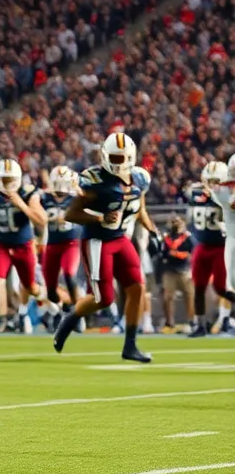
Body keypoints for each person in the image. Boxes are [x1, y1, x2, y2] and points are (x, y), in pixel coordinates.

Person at [54, 132, 158, 363]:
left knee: (137, 288)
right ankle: (70, 318)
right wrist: (99, 218)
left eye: (123, 158)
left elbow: (139, 209)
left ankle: (130, 346)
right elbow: (71, 214)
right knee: (104, 298)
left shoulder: (140, 178)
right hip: (98, 241)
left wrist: (152, 230)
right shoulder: (94, 180)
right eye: (114, 157)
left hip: (121, 239)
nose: (118, 162)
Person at [0, 158, 47, 334]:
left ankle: (49, 303)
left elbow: (42, 220)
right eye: (5, 180)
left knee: (31, 287)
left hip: (23, 245)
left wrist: (22, 205)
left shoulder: (27, 193)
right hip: (1, 243)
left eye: (11, 179)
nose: (9, 184)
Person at [189, 161, 235, 335]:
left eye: (216, 181)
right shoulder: (196, 192)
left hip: (220, 246)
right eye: (209, 181)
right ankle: (200, 324)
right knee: (198, 287)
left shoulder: (226, 196)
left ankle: (227, 319)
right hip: (202, 245)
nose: (212, 185)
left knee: (221, 288)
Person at [40, 165, 82, 329]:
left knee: (69, 275)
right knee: (50, 290)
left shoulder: (76, 198)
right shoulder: (43, 198)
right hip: (51, 245)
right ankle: (61, 310)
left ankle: (76, 312)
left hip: (71, 244)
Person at [157, 216, 195, 333]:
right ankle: (170, 323)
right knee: (168, 297)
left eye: (179, 222)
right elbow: (162, 253)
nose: (177, 224)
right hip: (169, 270)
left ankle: (191, 322)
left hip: (185, 270)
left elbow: (194, 253)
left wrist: (179, 254)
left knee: (189, 296)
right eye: (174, 222)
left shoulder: (189, 237)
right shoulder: (166, 238)